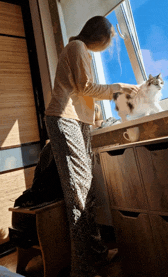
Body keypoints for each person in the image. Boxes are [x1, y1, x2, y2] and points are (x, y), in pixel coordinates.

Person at [44, 15, 139, 277]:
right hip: (64, 119)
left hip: (77, 122)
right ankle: (81, 269)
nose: (110, 43)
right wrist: (121, 88)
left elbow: (83, 93)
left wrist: (96, 119)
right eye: (110, 37)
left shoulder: (81, 51)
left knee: (88, 192)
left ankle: (96, 253)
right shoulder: (76, 47)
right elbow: (85, 86)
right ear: (100, 35)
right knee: (79, 194)